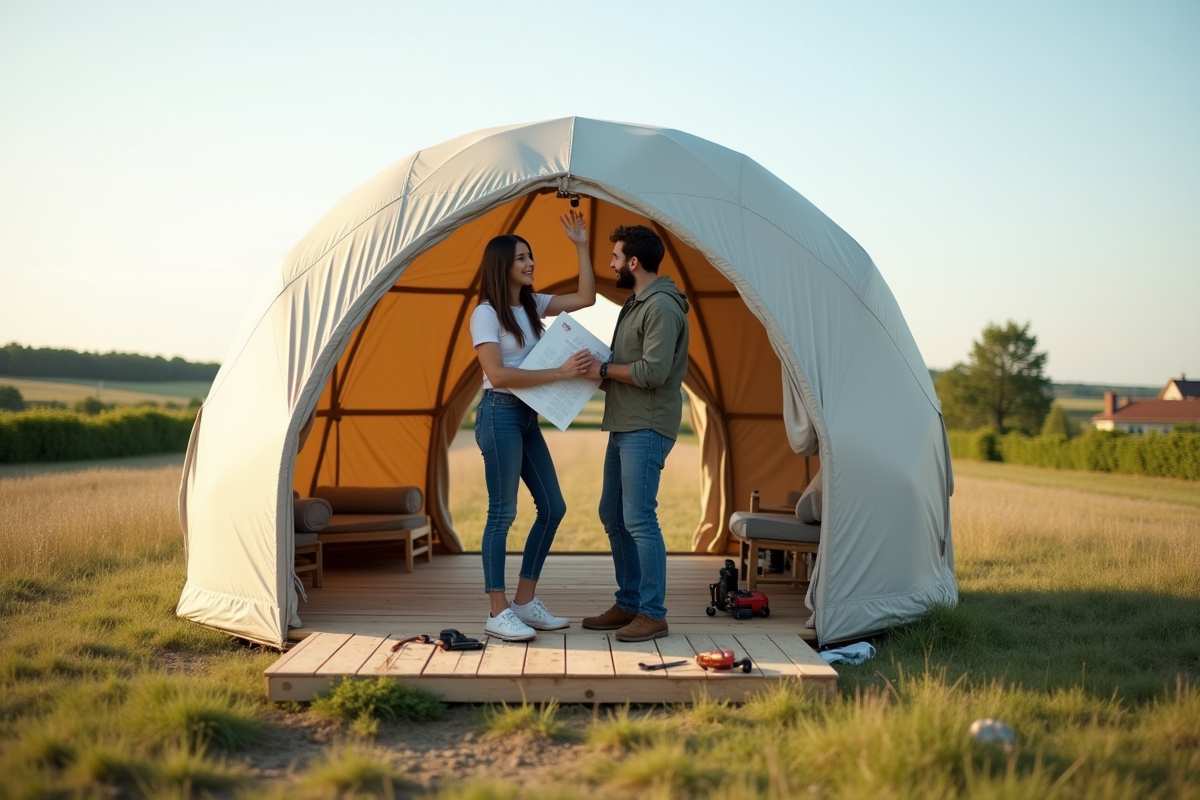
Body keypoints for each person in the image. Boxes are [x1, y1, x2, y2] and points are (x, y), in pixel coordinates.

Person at [469, 210, 596, 641]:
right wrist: (560, 373)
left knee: (553, 507)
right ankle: (497, 609)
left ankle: (524, 602)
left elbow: (587, 298)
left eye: (531, 256)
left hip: (525, 417)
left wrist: (580, 245)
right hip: (498, 413)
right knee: (502, 513)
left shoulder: (532, 304)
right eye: (521, 257)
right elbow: (499, 376)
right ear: (501, 264)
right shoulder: (485, 314)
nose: (529, 263)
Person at [580, 224, 689, 642]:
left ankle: (652, 612)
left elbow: (652, 372)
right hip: (625, 421)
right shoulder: (636, 303)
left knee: (640, 519)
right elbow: (627, 366)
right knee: (613, 514)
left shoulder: (660, 306)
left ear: (633, 262)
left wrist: (605, 369)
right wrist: (593, 370)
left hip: (646, 425)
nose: (610, 263)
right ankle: (628, 602)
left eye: (615, 256)